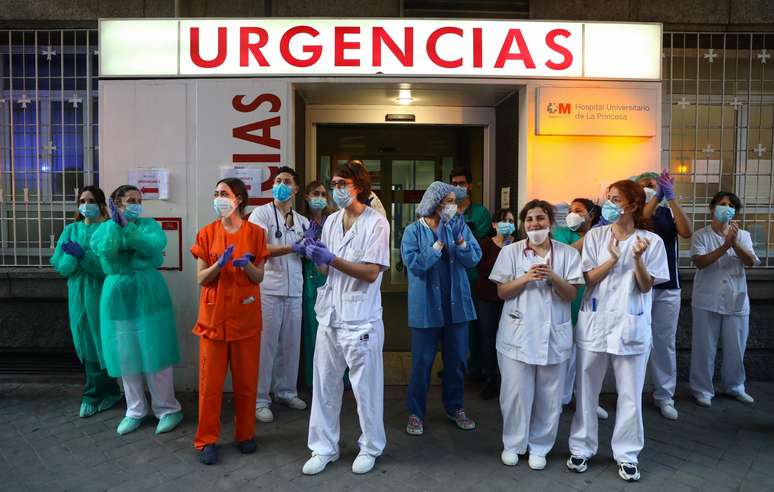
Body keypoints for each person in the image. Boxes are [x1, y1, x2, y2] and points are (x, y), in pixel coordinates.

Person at [567, 180, 669, 482]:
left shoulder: (651, 241)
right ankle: (581, 447)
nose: (609, 204)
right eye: (608, 199)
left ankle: (627, 454)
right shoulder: (596, 236)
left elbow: (647, 285)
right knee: (586, 390)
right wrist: (612, 258)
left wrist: (636, 259)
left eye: (616, 199)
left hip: (630, 325)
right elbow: (587, 278)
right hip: (595, 324)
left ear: (634, 205)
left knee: (630, 394)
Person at [301, 160, 390, 476]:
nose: (336, 190)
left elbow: (370, 272)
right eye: (334, 184)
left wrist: (332, 259)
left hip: (360, 318)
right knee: (324, 385)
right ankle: (324, 447)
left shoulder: (376, 224)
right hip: (330, 316)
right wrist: (315, 256)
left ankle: (370, 447)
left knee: (366, 389)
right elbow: (326, 270)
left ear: (359, 187)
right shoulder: (330, 222)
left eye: (342, 184)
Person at [490, 199, 583, 470]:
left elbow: (571, 294)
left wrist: (553, 277)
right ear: (524, 224)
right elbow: (502, 292)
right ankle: (513, 444)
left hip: (554, 335)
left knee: (550, 396)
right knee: (515, 395)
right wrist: (525, 278)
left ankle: (540, 446)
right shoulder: (511, 252)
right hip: (516, 335)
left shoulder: (567, 254)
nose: (535, 224)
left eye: (540, 218)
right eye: (529, 219)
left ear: (551, 222)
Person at [90, 185, 183, 436]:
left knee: (156, 352)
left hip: (149, 293)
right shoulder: (104, 229)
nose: (136, 204)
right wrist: (116, 227)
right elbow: (106, 254)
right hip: (118, 295)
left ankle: (167, 408)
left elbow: (154, 250)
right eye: (131, 200)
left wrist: (128, 233)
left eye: (139, 200)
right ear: (116, 204)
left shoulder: (149, 225)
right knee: (125, 353)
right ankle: (135, 410)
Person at [192, 178, 269, 465]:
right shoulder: (206, 233)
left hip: (245, 318)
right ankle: (206, 440)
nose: (218, 198)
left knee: (247, 383)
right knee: (210, 385)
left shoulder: (256, 234)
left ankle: (245, 434)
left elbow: (259, 277)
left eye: (223, 193)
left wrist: (246, 264)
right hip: (213, 320)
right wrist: (218, 265)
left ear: (238, 198)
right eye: (215, 193)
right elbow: (201, 278)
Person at [401, 182, 482, 436]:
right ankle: (415, 413)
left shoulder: (459, 227)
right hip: (425, 307)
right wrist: (437, 246)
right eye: (447, 201)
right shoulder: (413, 231)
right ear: (433, 203)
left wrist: (459, 242)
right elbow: (414, 264)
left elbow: (473, 259)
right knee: (422, 363)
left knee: (457, 361)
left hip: (456, 307)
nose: (452, 206)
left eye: (453, 201)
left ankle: (455, 407)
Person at [51, 186, 122, 418]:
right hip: (78, 297)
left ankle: (95, 394)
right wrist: (73, 257)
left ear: (101, 204)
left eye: (91, 200)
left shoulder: (108, 229)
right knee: (85, 341)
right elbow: (61, 267)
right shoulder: (70, 230)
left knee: (102, 342)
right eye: (82, 200)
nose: (86, 204)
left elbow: (107, 268)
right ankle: (102, 392)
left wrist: (84, 256)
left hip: (101, 294)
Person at [248, 166, 310, 423]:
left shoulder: (303, 221)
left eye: (286, 181)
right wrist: (292, 247)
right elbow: (259, 248)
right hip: (269, 289)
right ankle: (260, 399)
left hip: (294, 289)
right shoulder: (260, 214)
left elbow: (305, 251)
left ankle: (286, 391)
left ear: (295, 189)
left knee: (291, 344)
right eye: (277, 180)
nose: (281, 184)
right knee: (266, 345)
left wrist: (309, 248)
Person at [689, 191, 759, 408]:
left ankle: (735, 386)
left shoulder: (744, 235)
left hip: (736, 300)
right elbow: (700, 262)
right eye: (722, 204)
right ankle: (702, 389)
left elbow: (750, 262)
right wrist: (725, 246)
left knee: (736, 347)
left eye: (730, 205)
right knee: (704, 346)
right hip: (706, 300)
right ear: (712, 208)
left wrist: (735, 243)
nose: (726, 208)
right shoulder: (701, 235)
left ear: (735, 212)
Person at [637, 171, 692, 420]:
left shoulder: (668, 210)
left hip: (668, 286)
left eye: (655, 185)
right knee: (635, 339)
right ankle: (631, 392)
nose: (652, 188)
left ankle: (664, 395)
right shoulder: (634, 213)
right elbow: (642, 219)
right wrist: (655, 197)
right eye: (646, 186)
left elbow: (687, 231)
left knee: (664, 342)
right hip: (638, 286)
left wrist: (670, 198)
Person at [553, 199, 608, 420]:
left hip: (595, 300)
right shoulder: (564, 233)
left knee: (588, 358)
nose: (572, 215)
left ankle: (588, 400)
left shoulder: (605, 234)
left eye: (578, 211)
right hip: (570, 300)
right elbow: (565, 253)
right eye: (569, 211)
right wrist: (594, 235)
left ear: (591, 215)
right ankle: (559, 399)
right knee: (565, 354)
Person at [449, 167, 492, 380]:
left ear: (470, 186)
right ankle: (455, 366)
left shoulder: (481, 213)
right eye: (454, 183)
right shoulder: (446, 210)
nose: (458, 187)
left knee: (476, 327)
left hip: (474, 277)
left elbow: (477, 240)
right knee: (453, 325)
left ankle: (476, 367)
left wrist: (459, 236)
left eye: (462, 183)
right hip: (452, 277)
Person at [475, 208, 516, 400]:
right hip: (487, 299)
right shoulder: (485, 245)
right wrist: (504, 250)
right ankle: (489, 379)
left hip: (510, 299)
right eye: (503, 220)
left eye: (510, 220)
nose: (507, 223)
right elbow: (483, 270)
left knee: (507, 338)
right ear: (494, 225)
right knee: (488, 338)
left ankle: (507, 379)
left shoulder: (520, 245)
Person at [301, 180, 333, 388]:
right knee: (312, 334)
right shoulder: (298, 221)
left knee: (332, 333)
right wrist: (305, 242)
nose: (320, 198)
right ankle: (313, 380)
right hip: (308, 281)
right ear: (306, 196)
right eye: (315, 193)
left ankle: (338, 378)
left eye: (323, 194)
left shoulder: (334, 221)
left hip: (329, 279)